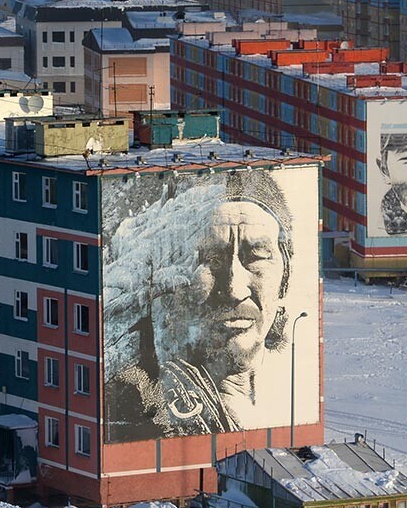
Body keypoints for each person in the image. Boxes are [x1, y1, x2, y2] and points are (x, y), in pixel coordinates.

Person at [104, 170, 296, 441]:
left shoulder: (293, 393)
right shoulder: (135, 405)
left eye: (255, 257)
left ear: (284, 279)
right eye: (212, 259)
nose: (233, 288)